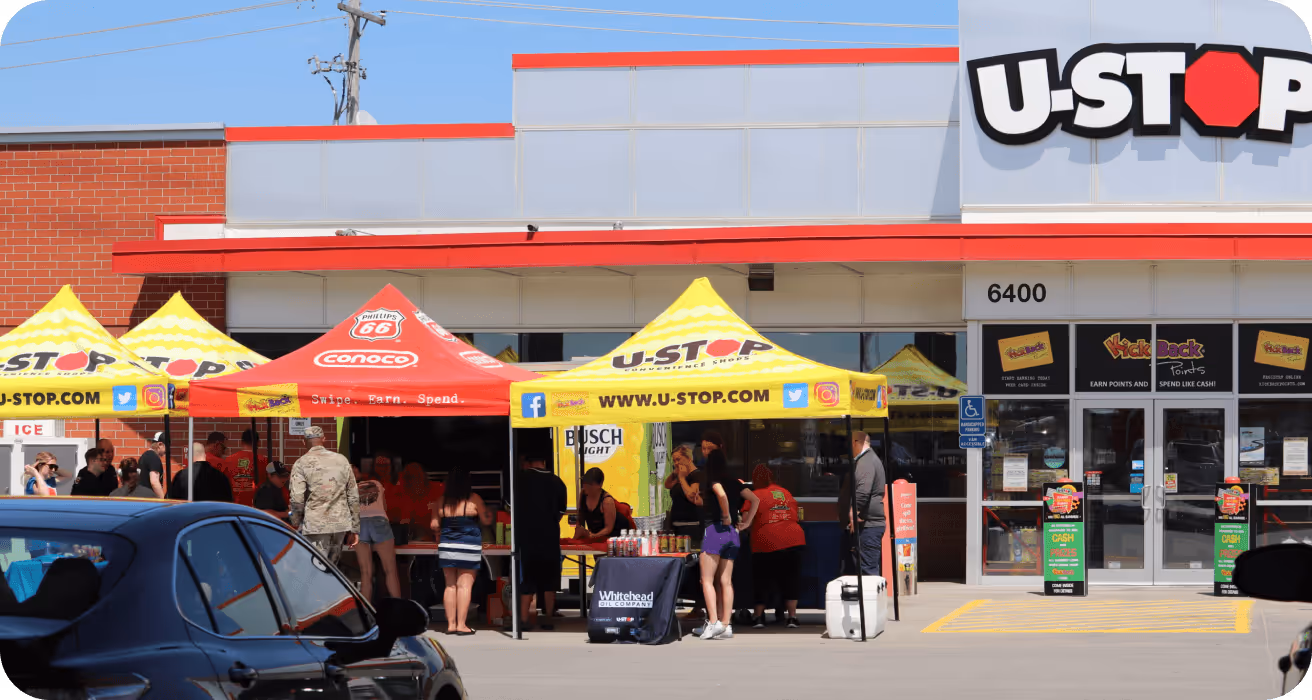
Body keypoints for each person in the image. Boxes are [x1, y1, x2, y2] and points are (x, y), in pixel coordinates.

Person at [696, 430, 759, 641]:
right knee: (726, 581)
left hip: (715, 529)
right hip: (733, 534)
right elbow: (755, 500)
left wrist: (724, 515)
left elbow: (720, 494)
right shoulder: (735, 481)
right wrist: (746, 522)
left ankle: (713, 622)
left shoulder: (712, 480)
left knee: (706, 579)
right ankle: (726, 624)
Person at [289, 426, 359, 565]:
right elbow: (353, 495)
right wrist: (355, 528)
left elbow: (297, 498)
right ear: (324, 439)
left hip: (315, 525)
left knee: (316, 570)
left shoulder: (300, 464)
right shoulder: (342, 460)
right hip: (339, 525)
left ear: (304, 442)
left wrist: (295, 524)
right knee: (332, 570)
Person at [749, 464, 806, 628]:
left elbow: (747, 518)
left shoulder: (755, 494)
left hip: (766, 541)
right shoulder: (785, 492)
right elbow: (796, 515)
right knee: (791, 579)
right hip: (794, 539)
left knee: (762, 580)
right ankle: (792, 618)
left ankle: (759, 617)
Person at [433, 464, 487, 636]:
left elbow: (434, 524)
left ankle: (450, 625)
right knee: (464, 586)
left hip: (448, 543)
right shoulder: (474, 499)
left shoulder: (441, 501)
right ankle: (462, 625)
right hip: (469, 544)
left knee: (450, 585)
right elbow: (485, 520)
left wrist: (438, 531)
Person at [515, 455, 567, 631]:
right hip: (550, 538)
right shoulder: (557, 482)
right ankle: (548, 618)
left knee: (527, 580)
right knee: (549, 580)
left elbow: (509, 507)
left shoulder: (519, 480)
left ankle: (523, 620)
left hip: (526, 538)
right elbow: (561, 513)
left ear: (528, 462)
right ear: (544, 461)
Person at [838, 430, 887, 576]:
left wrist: (854, 511)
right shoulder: (866, 460)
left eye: (849, 443)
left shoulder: (866, 461)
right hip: (866, 526)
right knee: (860, 570)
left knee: (868, 572)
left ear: (855, 443)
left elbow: (863, 490)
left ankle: (871, 600)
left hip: (868, 526)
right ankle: (864, 599)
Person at [353, 463, 402, 603]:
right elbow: (384, 507)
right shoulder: (376, 483)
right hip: (379, 521)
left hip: (359, 523)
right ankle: (398, 608)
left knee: (365, 573)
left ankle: (366, 613)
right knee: (390, 570)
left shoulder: (346, 488)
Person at [664, 444, 703, 547]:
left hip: (690, 526)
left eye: (678, 459)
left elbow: (691, 496)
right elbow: (667, 485)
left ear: (689, 458)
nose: (676, 463)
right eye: (674, 461)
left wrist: (681, 478)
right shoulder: (682, 474)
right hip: (676, 525)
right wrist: (675, 473)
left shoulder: (696, 475)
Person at [167, 444, 234, 503]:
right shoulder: (221, 476)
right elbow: (229, 502)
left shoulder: (181, 476)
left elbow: (171, 500)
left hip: (190, 515)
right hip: (214, 516)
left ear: (188, 457)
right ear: (204, 455)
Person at [574, 468, 621, 543]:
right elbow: (580, 518)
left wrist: (593, 536)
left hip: (609, 540)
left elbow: (608, 528)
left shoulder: (607, 501)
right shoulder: (583, 494)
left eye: (590, 486)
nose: (586, 488)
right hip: (593, 537)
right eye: (585, 485)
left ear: (599, 485)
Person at [224, 429, 267, 509]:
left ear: (242, 442)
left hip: (234, 505)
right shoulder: (263, 461)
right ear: (258, 443)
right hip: (256, 507)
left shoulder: (228, 460)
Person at [137, 433, 168, 499]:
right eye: (166, 446)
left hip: (141, 498)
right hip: (149, 500)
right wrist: (163, 500)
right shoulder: (154, 458)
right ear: (160, 444)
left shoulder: (144, 456)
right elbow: (154, 482)